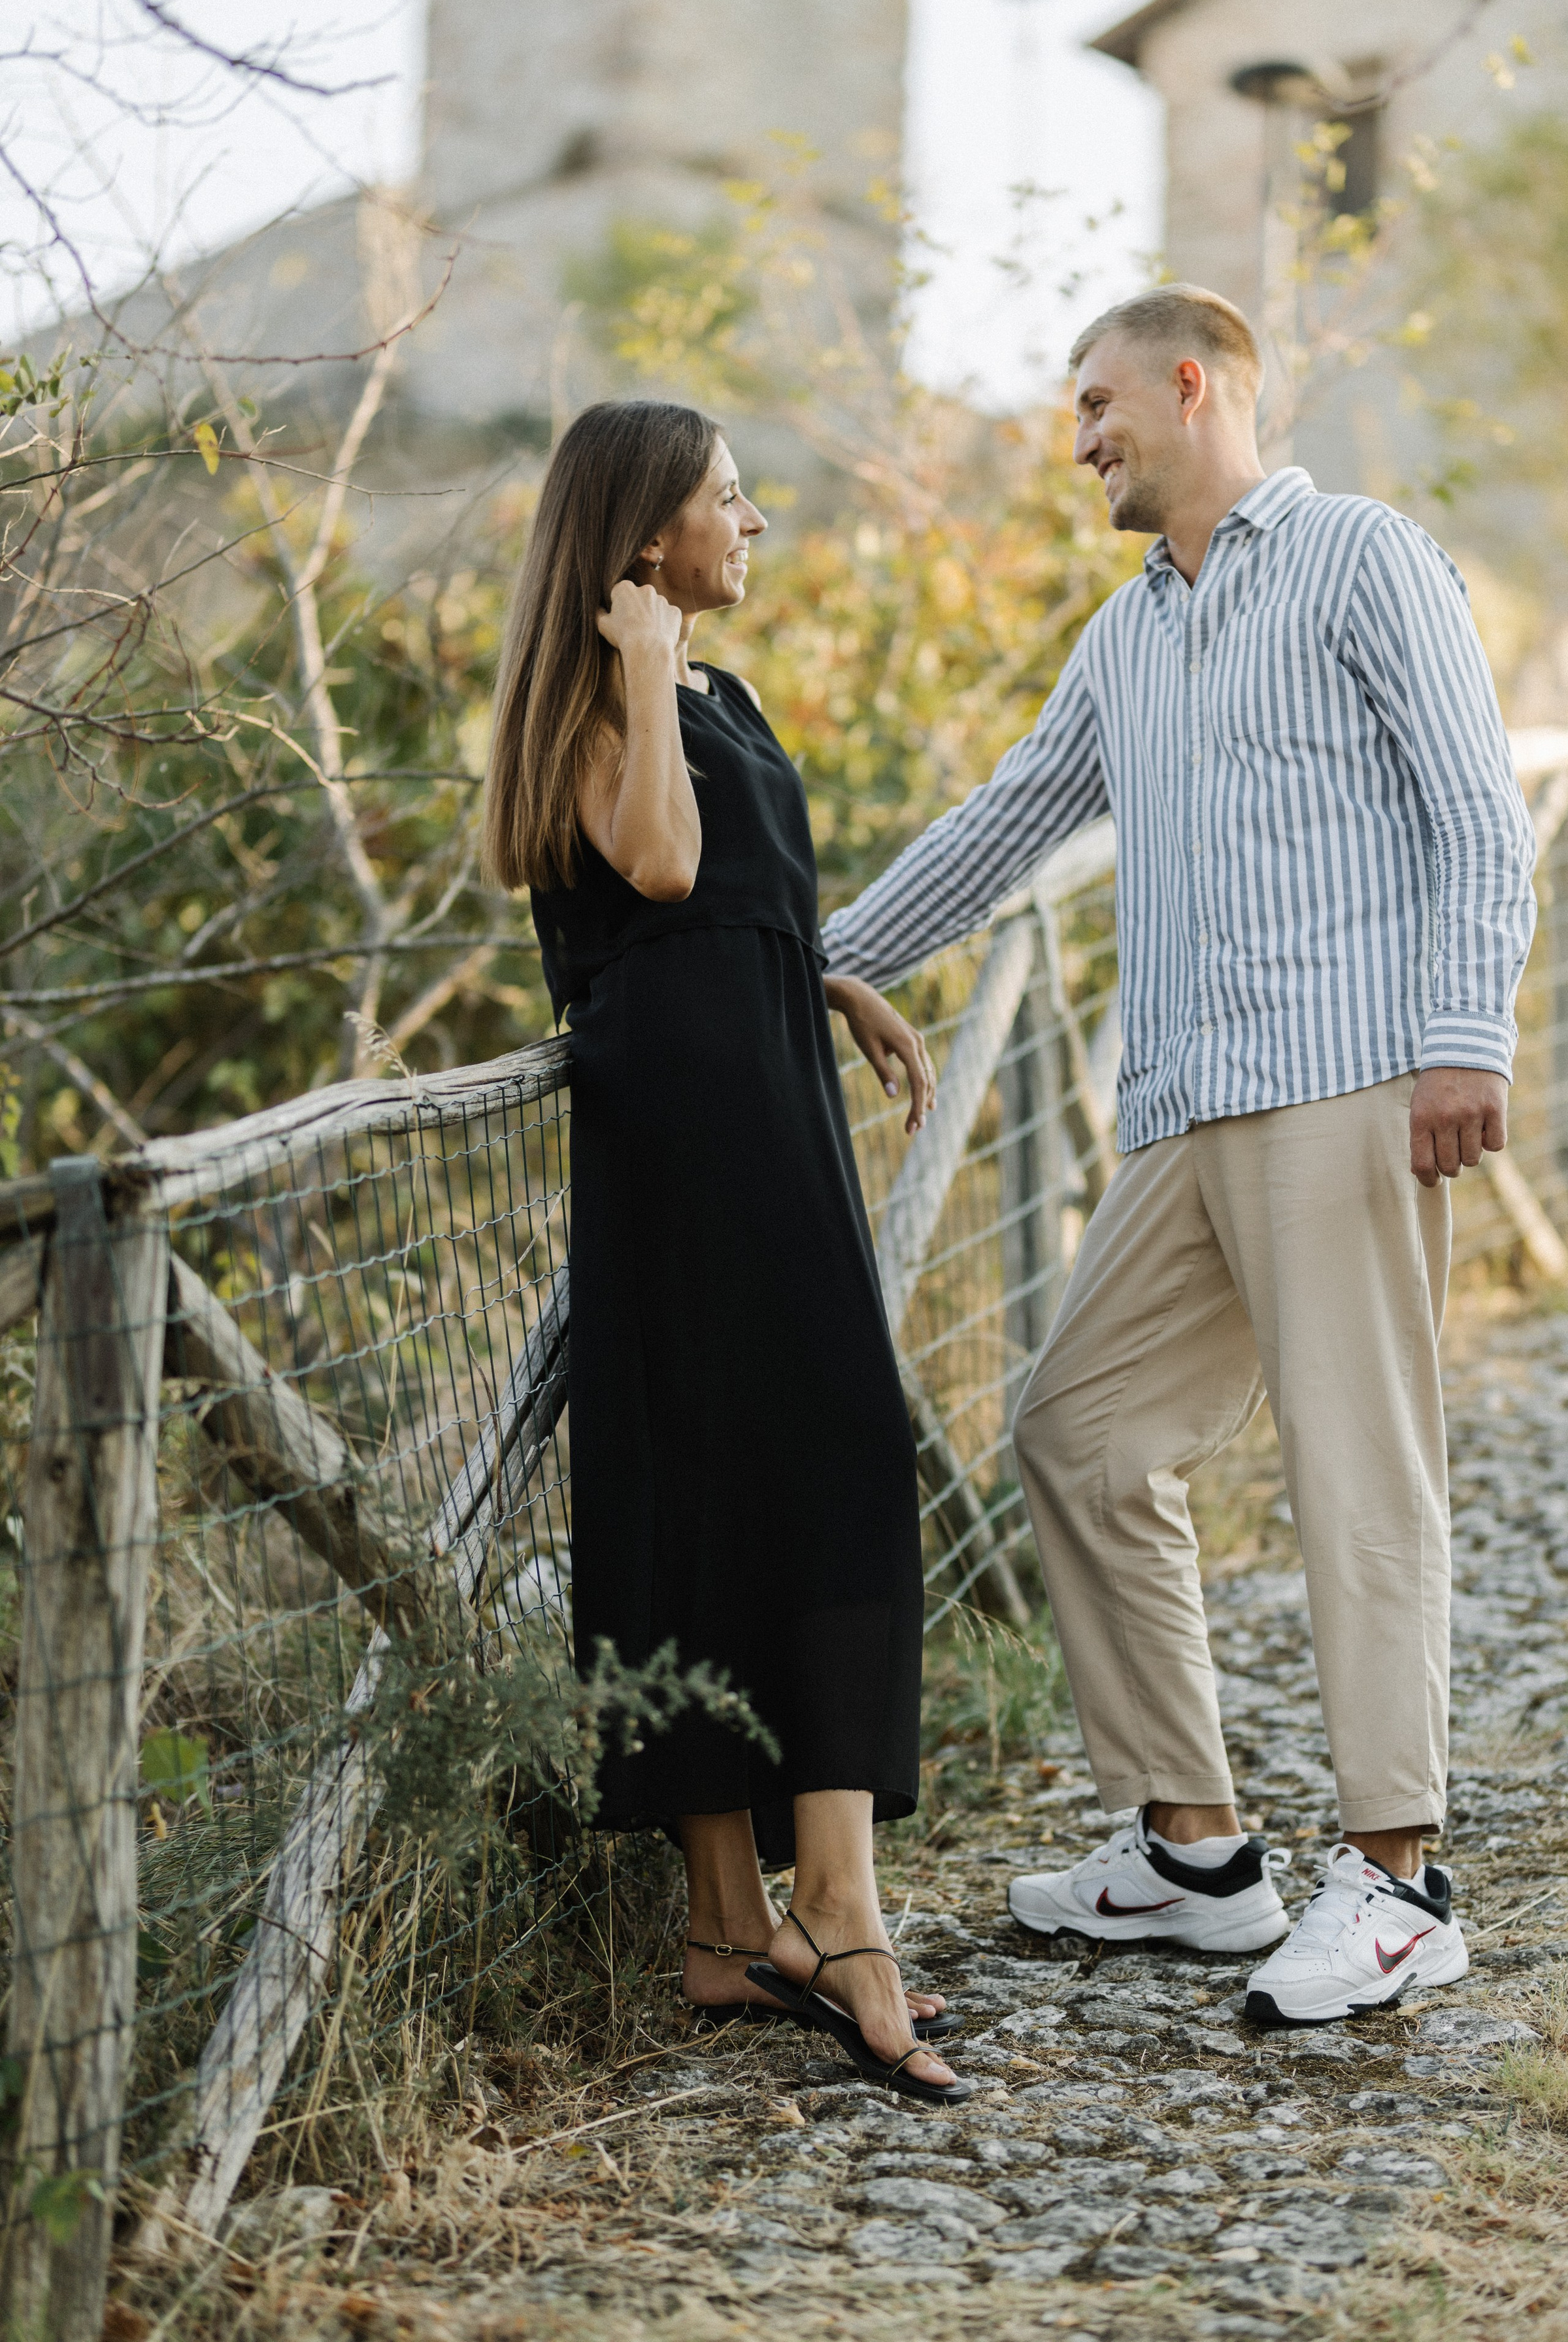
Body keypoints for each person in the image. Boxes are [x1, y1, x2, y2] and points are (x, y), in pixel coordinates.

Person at [820, 286, 1538, 2025]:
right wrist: (809, 961)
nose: (1078, 443)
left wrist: (1464, 1035)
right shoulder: (1125, 636)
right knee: (1074, 1427)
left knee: (1357, 1464)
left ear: (1192, 383)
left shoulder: (1365, 558)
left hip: (1352, 1077)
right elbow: (1008, 816)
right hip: (1184, 1108)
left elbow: (1476, 809)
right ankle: (1203, 1852)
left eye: (1093, 406)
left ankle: (1396, 1884)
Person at [482, 399, 968, 2099]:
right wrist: (632, 651)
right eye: (722, 501)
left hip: (764, 1090)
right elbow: (662, 865)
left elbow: (733, 898)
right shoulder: (605, 703)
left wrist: (824, 977)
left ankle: (720, 1924)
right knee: (789, 1470)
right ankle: (834, 1912)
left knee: (768, 1471)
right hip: (687, 1132)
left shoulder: (717, 694)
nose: (753, 521)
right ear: (637, 543)